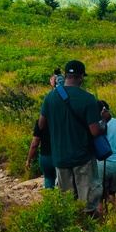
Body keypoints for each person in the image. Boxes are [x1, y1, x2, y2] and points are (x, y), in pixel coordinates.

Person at [37, 60, 102, 213]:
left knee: (67, 204)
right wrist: (102, 122)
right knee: (86, 204)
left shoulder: (50, 98)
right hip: (82, 158)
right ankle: (87, 231)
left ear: (65, 76)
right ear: (81, 77)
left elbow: (41, 125)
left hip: (60, 158)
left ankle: (71, 231)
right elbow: (94, 131)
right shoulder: (88, 98)